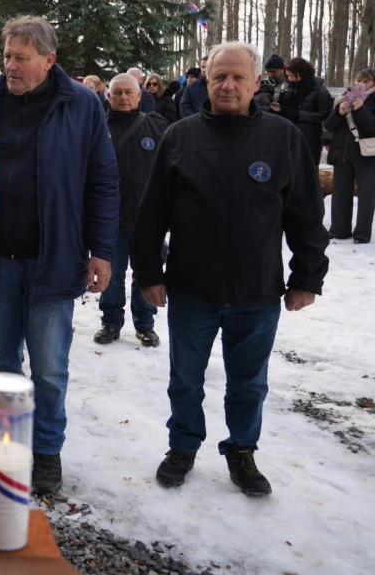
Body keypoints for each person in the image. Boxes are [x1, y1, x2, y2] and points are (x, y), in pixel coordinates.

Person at [132, 41, 329, 496]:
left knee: (248, 383)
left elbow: (306, 215)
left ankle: (242, 449)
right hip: (191, 289)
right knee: (185, 380)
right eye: (219, 75)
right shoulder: (180, 136)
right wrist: (149, 274)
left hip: (257, 293)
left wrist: (306, 278)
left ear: (257, 82)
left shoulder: (282, 138)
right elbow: (151, 214)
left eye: (239, 77)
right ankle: (182, 445)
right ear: (205, 78)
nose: (228, 85)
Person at [0, 15, 119, 494]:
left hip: (55, 258)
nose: (11, 66)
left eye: (21, 58)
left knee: (48, 368)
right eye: (7, 56)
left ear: (49, 59)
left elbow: (103, 182)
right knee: (2, 362)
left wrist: (101, 252)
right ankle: (7, 446)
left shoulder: (81, 105)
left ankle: (45, 453)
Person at [93, 73, 167, 347]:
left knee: (146, 272)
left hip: (147, 218)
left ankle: (145, 324)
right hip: (110, 218)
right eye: (117, 93)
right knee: (111, 274)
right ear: (109, 96)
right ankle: (111, 323)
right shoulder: (98, 128)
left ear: (139, 96)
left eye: (128, 93)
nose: (123, 98)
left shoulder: (156, 126)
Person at [323, 68, 375, 244]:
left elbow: (373, 126)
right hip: (342, 152)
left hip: (366, 154)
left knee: (366, 195)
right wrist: (339, 112)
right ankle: (339, 229)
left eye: (366, 82)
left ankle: (362, 233)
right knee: (340, 193)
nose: (361, 85)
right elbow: (329, 126)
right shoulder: (343, 98)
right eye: (358, 81)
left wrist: (360, 110)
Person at [271, 56, 332, 158]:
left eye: (292, 76)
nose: (289, 79)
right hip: (288, 134)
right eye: (288, 75)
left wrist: (298, 114)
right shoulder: (288, 87)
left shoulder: (320, 91)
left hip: (309, 137)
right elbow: (287, 110)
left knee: (307, 169)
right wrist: (279, 109)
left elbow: (324, 115)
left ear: (301, 74)